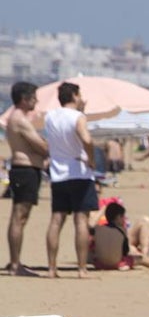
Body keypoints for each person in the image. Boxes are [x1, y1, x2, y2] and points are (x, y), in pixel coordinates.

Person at [44, 82, 100, 279]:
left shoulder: (50, 116)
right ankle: (82, 268)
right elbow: (87, 140)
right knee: (80, 220)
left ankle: (51, 268)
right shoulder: (78, 117)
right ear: (75, 96)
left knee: (56, 219)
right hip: (79, 171)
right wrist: (92, 159)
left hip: (58, 173)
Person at [5, 81, 48, 277]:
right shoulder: (19, 119)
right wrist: (47, 147)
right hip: (25, 169)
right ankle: (15, 264)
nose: (36, 102)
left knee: (19, 217)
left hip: (24, 169)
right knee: (19, 217)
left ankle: (15, 262)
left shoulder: (17, 118)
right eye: (33, 98)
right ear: (24, 99)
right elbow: (41, 147)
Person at [91, 201, 149, 270]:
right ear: (118, 217)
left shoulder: (98, 229)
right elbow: (125, 250)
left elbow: (91, 227)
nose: (124, 220)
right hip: (117, 263)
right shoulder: (121, 230)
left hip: (99, 263)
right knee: (141, 259)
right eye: (123, 217)